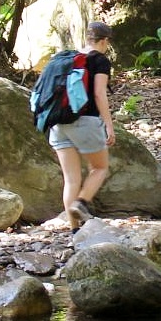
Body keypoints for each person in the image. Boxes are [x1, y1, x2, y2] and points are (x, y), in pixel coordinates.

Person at [49, 22, 116, 227]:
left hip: (58, 123)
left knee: (71, 180)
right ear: (104, 41)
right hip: (85, 121)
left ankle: (74, 232)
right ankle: (81, 202)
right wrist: (109, 125)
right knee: (99, 168)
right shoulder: (100, 60)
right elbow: (98, 93)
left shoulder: (68, 58)